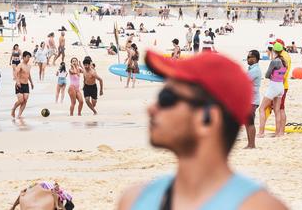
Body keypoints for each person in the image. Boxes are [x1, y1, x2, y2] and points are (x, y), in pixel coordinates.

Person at [118, 51, 287, 210]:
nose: (151, 108)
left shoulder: (258, 206)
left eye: (166, 98)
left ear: (208, 120)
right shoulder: (133, 200)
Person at [257, 42, 286, 138]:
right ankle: (278, 133)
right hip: (281, 86)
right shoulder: (284, 61)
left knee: (262, 108)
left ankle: (261, 133)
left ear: (274, 51)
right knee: (277, 110)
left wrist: (271, 76)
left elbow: (267, 75)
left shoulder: (274, 61)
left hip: (273, 86)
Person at [245, 50, 261, 148]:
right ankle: (250, 144)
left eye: (249, 57)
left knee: (250, 122)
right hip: (249, 99)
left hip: (252, 100)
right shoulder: (251, 69)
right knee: (248, 122)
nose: (247, 59)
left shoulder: (255, 70)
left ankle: (252, 144)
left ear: (254, 59)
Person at [12, 51, 34, 118]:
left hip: (26, 85)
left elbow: (28, 74)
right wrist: (17, 81)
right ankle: (13, 109)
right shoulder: (20, 65)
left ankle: (19, 115)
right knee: (21, 100)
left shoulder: (29, 66)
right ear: (24, 57)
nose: (28, 59)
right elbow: (15, 73)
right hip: (19, 85)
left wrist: (31, 83)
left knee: (25, 100)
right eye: (27, 57)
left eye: (29, 57)